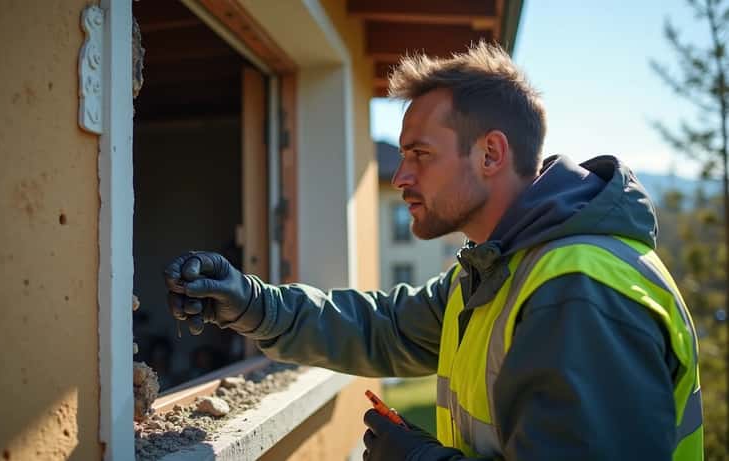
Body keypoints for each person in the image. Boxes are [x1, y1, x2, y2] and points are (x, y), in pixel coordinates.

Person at [164, 42, 702, 460]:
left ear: (490, 153)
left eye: (420, 154)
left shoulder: (578, 293)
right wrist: (249, 303)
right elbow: (385, 328)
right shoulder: (502, 268)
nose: (400, 176)